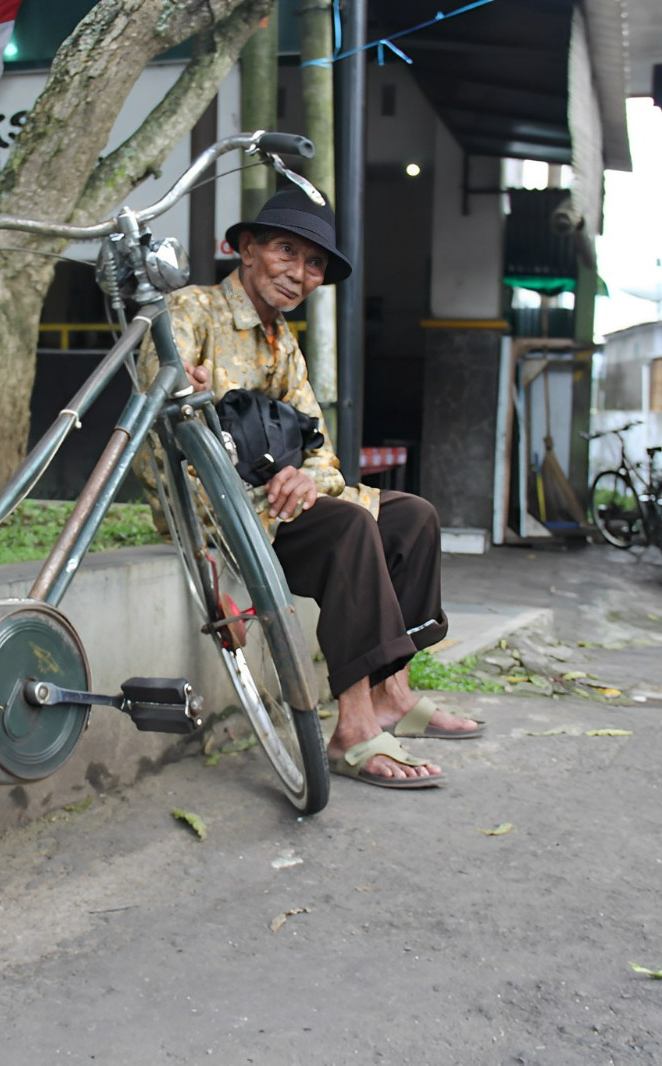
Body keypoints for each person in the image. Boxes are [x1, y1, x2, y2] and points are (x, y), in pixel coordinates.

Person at [144, 185, 481, 790]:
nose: (299, 274)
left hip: (282, 511)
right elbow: (163, 439)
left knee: (413, 518)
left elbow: (320, 447)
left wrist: (306, 476)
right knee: (351, 527)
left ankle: (392, 694)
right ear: (246, 249)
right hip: (228, 517)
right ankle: (352, 727)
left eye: (315, 263)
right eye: (284, 251)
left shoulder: (284, 343)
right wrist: (210, 566)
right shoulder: (189, 313)